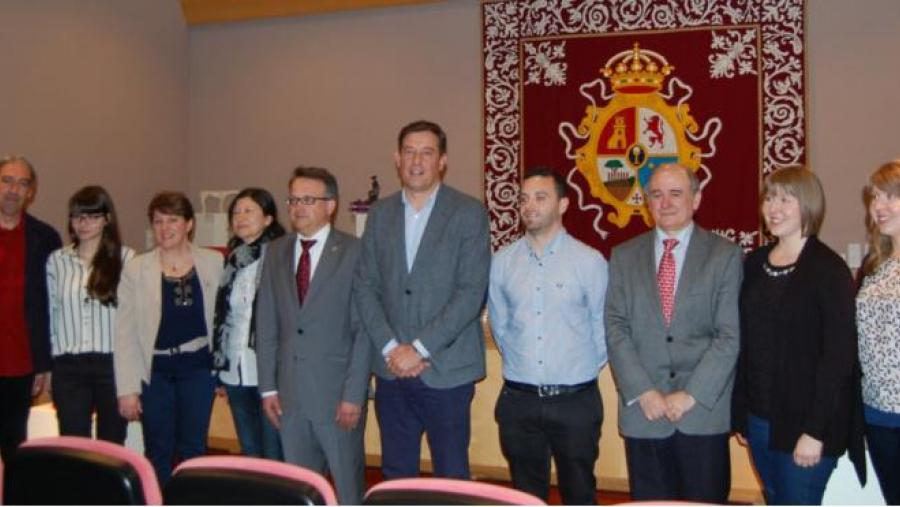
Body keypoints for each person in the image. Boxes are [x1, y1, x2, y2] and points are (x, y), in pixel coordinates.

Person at [354, 120, 491, 479]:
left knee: (451, 476)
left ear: (442, 160)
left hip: (446, 371)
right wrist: (390, 348)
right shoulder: (379, 214)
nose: (417, 160)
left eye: (427, 152)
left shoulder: (468, 212)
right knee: (396, 474)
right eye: (409, 152)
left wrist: (418, 348)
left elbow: (471, 293)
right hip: (390, 371)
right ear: (396, 159)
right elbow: (365, 287)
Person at [605, 163, 741, 503]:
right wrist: (643, 391)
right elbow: (616, 328)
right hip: (644, 413)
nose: (665, 202)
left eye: (676, 193)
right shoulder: (624, 256)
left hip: (700, 413)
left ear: (696, 199)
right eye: (656, 194)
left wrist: (690, 394)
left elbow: (728, 336)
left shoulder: (725, 256)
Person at [732, 166, 865, 504]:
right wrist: (743, 415)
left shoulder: (828, 269)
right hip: (760, 420)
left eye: (785, 199)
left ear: (808, 204)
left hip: (807, 425)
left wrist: (814, 431)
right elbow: (746, 344)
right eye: (769, 199)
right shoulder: (755, 262)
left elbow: (838, 359)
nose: (773, 208)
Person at [488, 166, 608, 504]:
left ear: (563, 205)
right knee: (525, 495)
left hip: (575, 401)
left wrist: (573, 370)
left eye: (540, 197)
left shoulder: (590, 261)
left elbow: (602, 328)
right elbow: (500, 325)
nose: (529, 206)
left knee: (580, 492)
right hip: (519, 400)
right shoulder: (502, 262)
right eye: (524, 199)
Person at [256, 166, 371, 504]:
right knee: (301, 490)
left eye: (309, 199)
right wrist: (268, 387)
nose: (298, 207)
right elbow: (267, 323)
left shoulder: (354, 251)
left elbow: (363, 330)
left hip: (337, 397)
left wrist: (354, 393)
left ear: (331, 205)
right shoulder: (276, 251)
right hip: (290, 397)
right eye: (293, 199)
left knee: (348, 488)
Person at [114, 191, 223, 484]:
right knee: (158, 451)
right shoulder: (137, 268)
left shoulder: (214, 262)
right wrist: (127, 388)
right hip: (156, 374)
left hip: (198, 371)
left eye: (172, 220)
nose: (164, 228)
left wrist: (223, 372)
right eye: (158, 221)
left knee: (194, 450)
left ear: (189, 224)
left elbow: (224, 321)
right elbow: (124, 333)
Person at [46, 186, 134, 443]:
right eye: (77, 217)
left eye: (92, 216)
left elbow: (133, 320)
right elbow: (51, 315)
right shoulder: (57, 260)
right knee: (73, 445)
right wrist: (50, 368)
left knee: (112, 445)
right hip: (69, 365)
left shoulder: (126, 258)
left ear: (107, 219)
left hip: (113, 365)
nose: (84, 224)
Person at [211, 188, 285, 460]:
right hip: (236, 370)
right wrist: (220, 366)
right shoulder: (232, 258)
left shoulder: (282, 255)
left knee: (275, 451)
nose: (240, 217)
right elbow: (224, 317)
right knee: (251, 451)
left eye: (248, 211)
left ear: (268, 218)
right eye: (236, 212)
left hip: (269, 371)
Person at [0, 155, 61, 462]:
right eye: (6, 181)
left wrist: (44, 362)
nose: (13, 190)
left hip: (21, 365)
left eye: (22, 183)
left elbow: (52, 306)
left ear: (31, 192)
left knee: (14, 446)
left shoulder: (45, 238)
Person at [857, 160, 900, 505]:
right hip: (878, 414)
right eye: (875, 198)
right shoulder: (875, 264)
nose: (879, 206)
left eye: (890, 196)